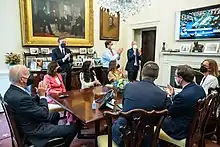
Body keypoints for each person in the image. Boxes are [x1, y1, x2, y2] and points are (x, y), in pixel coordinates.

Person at [4, 65, 79, 147]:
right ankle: (58, 143)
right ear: (22, 79)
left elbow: (29, 103)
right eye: (28, 74)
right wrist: (43, 96)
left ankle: (54, 137)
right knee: (73, 128)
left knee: (55, 114)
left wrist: (38, 95)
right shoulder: (21, 98)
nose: (32, 76)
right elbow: (44, 114)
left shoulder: (12, 92)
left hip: (28, 122)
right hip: (35, 130)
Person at [112, 61, 167, 147]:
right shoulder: (162, 94)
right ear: (156, 76)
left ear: (142, 73)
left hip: (123, 136)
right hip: (146, 140)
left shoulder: (129, 86)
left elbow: (124, 107)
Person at [162, 65, 206, 141]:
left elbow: (170, 112)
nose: (175, 78)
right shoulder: (200, 88)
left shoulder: (182, 96)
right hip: (194, 126)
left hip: (181, 130)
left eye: (176, 76)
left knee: (156, 119)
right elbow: (183, 104)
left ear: (181, 78)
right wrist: (173, 95)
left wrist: (168, 96)